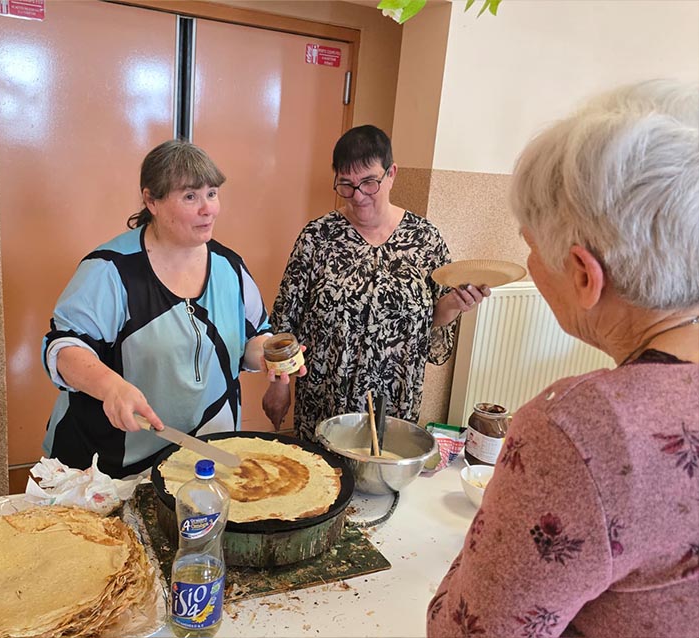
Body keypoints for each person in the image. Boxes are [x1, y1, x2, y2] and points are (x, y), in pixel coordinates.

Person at [427, 80, 699, 636]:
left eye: (530, 246)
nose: (529, 263)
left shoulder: (582, 430)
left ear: (583, 275)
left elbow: (463, 631)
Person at [41, 140, 290, 478]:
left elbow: (252, 339)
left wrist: (269, 355)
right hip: (110, 469)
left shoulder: (229, 267)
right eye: (190, 197)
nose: (208, 209)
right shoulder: (111, 270)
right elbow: (64, 350)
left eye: (212, 193)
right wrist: (111, 387)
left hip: (201, 459)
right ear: (151, 201)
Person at [262, 125, 488, 440]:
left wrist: (453, 304)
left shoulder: (425, 240)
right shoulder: (317, 237)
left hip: (394, 401)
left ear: (391, 173)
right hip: (326, 398)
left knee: (385, 467)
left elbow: (430, 324)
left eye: (369, 182)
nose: (358, 196)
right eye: (346, 184)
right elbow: (286, 319)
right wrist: (278, 385)